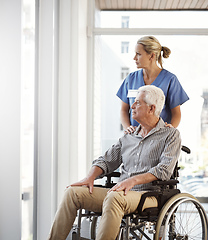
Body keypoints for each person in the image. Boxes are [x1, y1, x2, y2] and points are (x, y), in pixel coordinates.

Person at [48, 85, 181, 240]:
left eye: (137, 103)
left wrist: (133, 180)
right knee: (72, 193)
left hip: (148, 195)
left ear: (152, 108)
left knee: (114, 197)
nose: (132, 106)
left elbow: (164, 169)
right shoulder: (128, 137)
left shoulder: (170, 135)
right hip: (120, 193)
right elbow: (105, 161)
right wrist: (90, 177)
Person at [116, 35, 189, 133]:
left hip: (159, 137)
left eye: (138, 54)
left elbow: (176, 113)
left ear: (151, 55)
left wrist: (170, 130)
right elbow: (124, 110)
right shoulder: (131, 79)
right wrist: (127, 127)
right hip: (135, 137)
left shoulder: (170, 80)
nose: (134, 58)